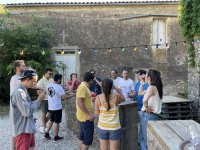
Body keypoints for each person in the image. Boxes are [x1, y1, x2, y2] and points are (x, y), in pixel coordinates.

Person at [10, 68, 45, 150]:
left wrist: (31, 118)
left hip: (28, 127)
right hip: (23, 130)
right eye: (34, 81)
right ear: (27, 79)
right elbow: (27, 112)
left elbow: (27, 107)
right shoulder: (19, 92)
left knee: (31, 146)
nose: (35, 84)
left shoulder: (23, 90)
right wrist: (39, 99)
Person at [95, 78, 125, 150]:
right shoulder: (116, 96)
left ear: (102, 86)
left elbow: (96, 113)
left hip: (102, 126)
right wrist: (116, 88)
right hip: (114, 127)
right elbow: (123, 98)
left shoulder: (98, 98)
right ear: (111, 86)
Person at [44, 74, 75, 141]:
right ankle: (56, 136)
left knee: (51, 120)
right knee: (57, 122)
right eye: (61, 79)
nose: (61, 80)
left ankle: (46, 133)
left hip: (51, 107)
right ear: (58, 79)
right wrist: (72, 95)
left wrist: (67, 92)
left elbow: (52, 93)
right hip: (57, 107)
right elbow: (64, 97)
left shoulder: (49, 85)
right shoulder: (59, 87)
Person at [140, 69, 163, 150]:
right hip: (151, 116)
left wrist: (146, 107)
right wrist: (142, 83)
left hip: (148, 116)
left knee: (146, 141)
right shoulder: (155, 87)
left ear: (149, 77)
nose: (144, 76)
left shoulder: (152, 87)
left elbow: (144, 100)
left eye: (146, 75)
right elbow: (140, 93)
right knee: (145, 139)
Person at [76, 72, 95, 150]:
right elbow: (79, 102)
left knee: (82, 136)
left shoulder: (83, 86)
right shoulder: (83, 87)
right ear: (90, 80)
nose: (93, 82)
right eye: (92, 80)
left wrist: (91, 99)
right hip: (86, 118)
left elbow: (83, 100)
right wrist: (89, 114)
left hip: (83, 117)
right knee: (87, 140)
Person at [10, 60, 26, 150]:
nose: (25, 67)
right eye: (23, 66)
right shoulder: (15, 78)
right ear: (17, 68)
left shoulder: (20, 78)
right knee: (16, 131)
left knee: (15, 131)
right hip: (17, 109)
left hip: (20, 108)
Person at [134, 70, 149, 149]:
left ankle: (143, 144)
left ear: (143, 75)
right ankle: (140, 143)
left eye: (138, 75)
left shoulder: (147, 85)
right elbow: (136, 93)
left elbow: (142, 94)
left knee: (143, 127)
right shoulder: (137, 84)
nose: (137, 77)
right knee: (140, 126)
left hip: (144, 109)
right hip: (137, 107)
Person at [37, 68, 54, 134]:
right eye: (50, 73)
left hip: (51, 99)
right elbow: (38, 92)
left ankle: (42, 126)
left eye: (51, 74)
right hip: (45, 100)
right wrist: (44, 94)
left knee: (51, 113)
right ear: (45, 73)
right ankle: (44, 127)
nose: (51, 75)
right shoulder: (41, 81)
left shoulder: (51, 80)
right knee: (44, 113)